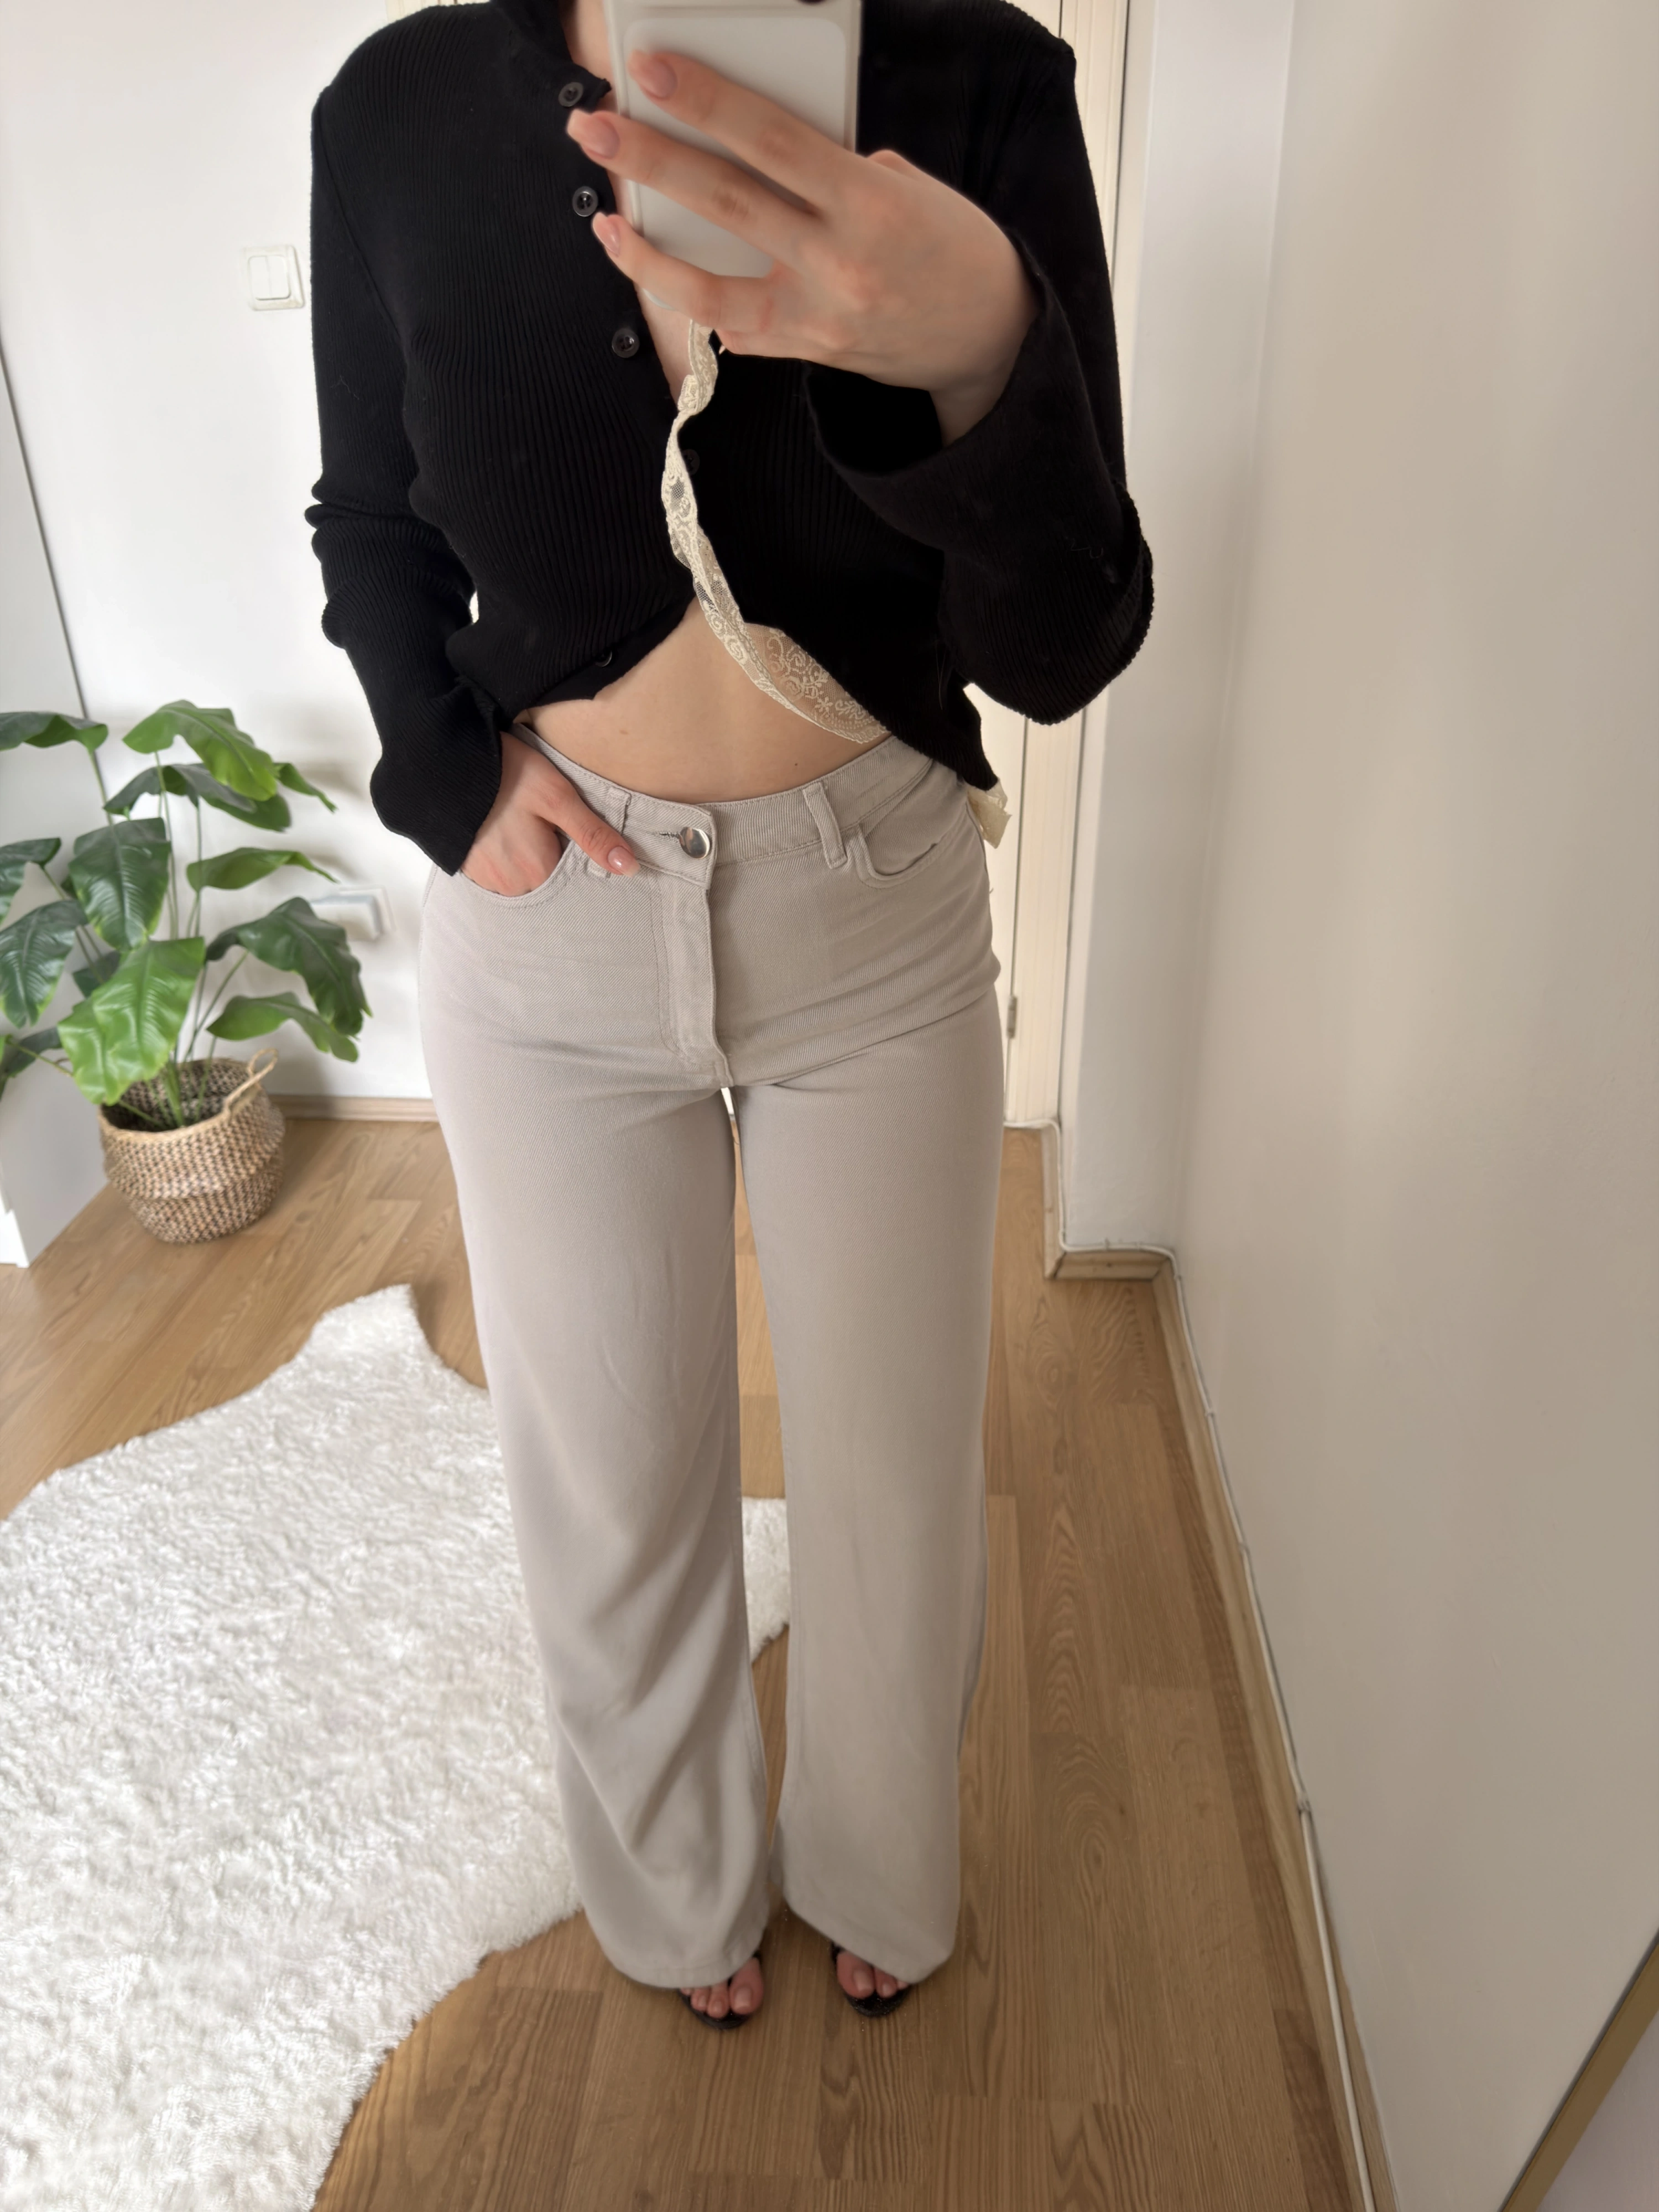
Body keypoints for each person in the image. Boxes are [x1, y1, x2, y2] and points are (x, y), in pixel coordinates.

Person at [306, 0, 1151, 2030]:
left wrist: (978, 355)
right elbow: (373, 519)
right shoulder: (402, 106)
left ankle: (882, 1865)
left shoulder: (981, 85)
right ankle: (673, 1898)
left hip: (875, 917)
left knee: (894, 1479)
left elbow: (1064, 644)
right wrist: (444, 778)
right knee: (606, 1488)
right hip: (551, 938)